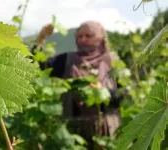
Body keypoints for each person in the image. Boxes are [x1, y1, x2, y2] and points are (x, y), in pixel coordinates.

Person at [30, 20, 122, 149]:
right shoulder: (66, 60)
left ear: (100, 38)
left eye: (88, 36)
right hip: (73, 135)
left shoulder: (114, 62)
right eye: (79, 36)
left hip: (108, 132)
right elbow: (37, 64)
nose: (83, 39)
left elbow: (125, 94)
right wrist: (40, 38)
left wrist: (104, 92)